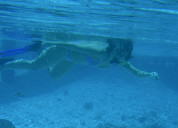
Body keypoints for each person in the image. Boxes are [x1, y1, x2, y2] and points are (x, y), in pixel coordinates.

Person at [0, 37, 159, 79]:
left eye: (126, 54)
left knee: (54, 76)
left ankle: (49, 63)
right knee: (35, 66)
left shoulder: (118, 59)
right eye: (123, 52)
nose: (124, 57)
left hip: (71, 60)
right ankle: (3, 65)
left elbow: (136, 72)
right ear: (115, 48)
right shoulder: (100, 52)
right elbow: (73, 46)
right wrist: (49, 42)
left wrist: (150, 75)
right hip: (63, 51)